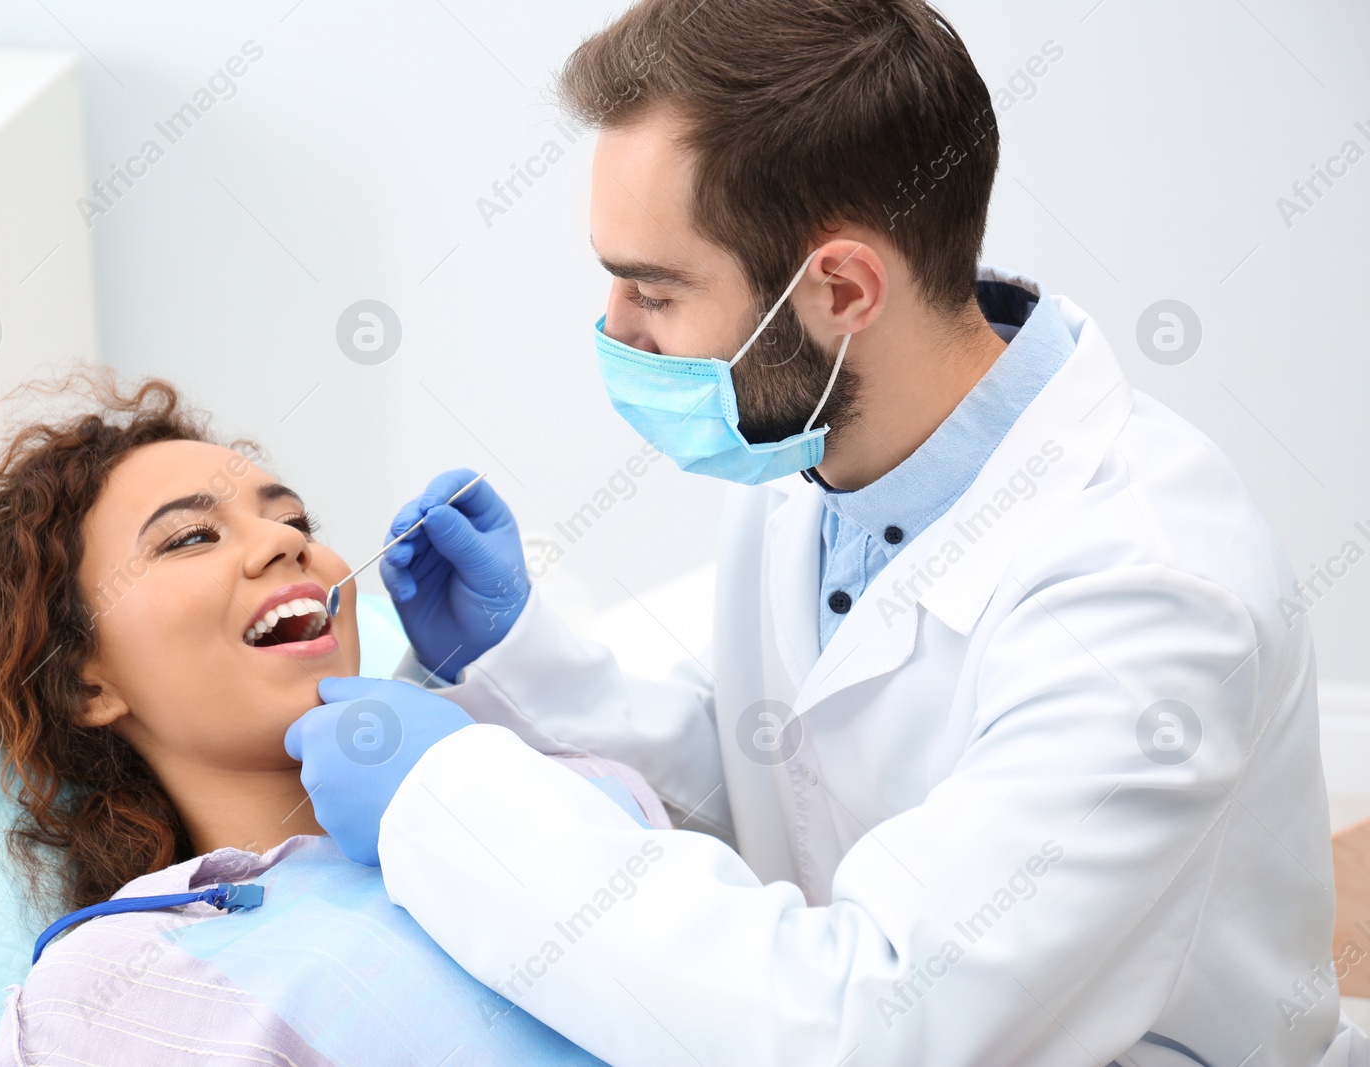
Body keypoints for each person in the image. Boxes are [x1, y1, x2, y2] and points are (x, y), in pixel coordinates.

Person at [286, 1, 1366, 1064]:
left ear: (841, 287)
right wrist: (519, 658)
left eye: (652, 287)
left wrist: (455, 811)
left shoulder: (1147, 590)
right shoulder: (817, 438)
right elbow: (785, 776)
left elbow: (876, 1022)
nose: (614, 327)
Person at [0, 374, 664, 1064]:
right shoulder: (113, 986)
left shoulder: (570, 787)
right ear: (87, 685)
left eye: (292, 518)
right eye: (190, 537)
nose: (286, 541)